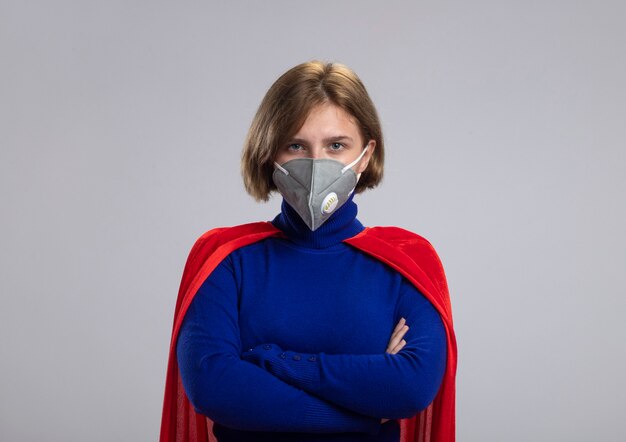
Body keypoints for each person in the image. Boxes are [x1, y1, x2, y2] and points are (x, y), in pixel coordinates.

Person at [160, 61, 457, 442]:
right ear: (269, 154)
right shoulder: (226, 260)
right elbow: (214, 388)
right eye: (296, 145)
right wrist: (363, 414)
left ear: (365, 156)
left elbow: (410, 388)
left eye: (336, 145)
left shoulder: (406, 262)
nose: (316, 164)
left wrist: (271, 360)